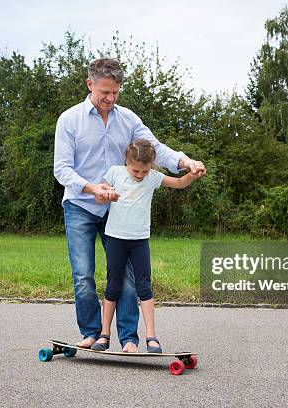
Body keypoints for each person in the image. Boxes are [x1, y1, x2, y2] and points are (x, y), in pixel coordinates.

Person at [53, 58, 206, 352]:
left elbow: (155, 149)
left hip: (116, 211)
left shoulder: (128, 119)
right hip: (80, 205)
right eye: (104, 92)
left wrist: (185, 162)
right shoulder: (69, 120)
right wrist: (91, 187)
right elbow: (62, 169)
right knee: (84, 274)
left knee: (125, 276)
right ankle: (91, 333)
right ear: (90, 85)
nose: (110, 99)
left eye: (116, 93)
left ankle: (129, 339)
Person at [91, 140, 198, 353]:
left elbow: (178, 183)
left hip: (139, 241)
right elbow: (98, 197)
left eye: (145, 170)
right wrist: (105, 196)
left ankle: (151, 337)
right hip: (115, 239)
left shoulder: (153, 178)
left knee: (144, 287)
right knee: (113, 286)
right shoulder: (114, 173)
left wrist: (192, 175)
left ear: (151, 166)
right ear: (126, 163)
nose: (140, 175)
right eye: (136, 170)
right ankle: (104, 335)